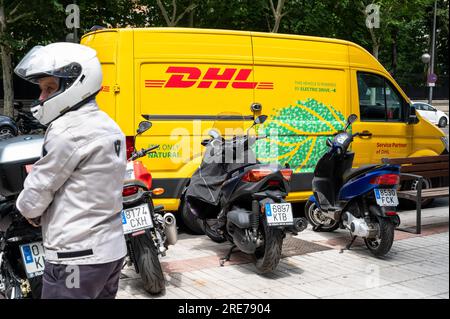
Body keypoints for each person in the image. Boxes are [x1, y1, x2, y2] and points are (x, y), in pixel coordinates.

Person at [14, 42, 127, 299]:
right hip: (109, 253)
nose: (42, 98)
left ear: (77, 85)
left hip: (75, 258)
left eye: (49, 88)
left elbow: (39, 190)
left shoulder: (68, 131)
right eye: (42, 89)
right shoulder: (109, 125)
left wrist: (25, 209)